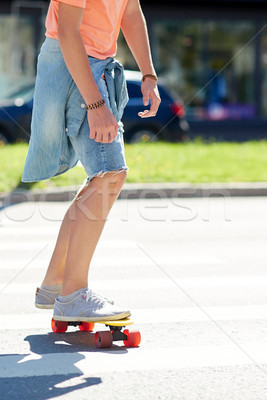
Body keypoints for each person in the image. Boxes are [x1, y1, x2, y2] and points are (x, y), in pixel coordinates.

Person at [22, 0, 160, 322]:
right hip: (76, 65)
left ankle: (55, 285)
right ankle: (73, 296)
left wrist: (149, 74)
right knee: (109, 174)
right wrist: (96, 104)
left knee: (104, 177)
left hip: (96, 64)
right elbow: (69, 33)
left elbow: (129, 12)